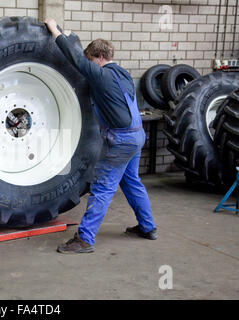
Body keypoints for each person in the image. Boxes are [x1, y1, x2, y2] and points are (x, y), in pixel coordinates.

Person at [44, 19, 157, 254]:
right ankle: (148, 227)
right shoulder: (123, 74)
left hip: (121, 140)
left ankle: (85, 239)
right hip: (137, 137)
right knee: (132, 181)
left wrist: (55, 30)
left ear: (99, 58)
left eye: (91, 61)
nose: (89, 65)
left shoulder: (101, 75)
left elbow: (74, 58)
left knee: (103, 188)